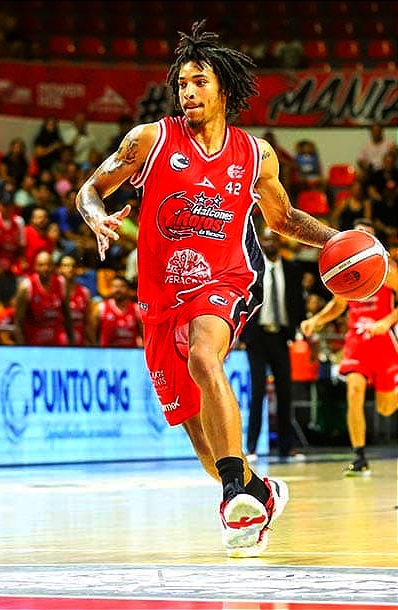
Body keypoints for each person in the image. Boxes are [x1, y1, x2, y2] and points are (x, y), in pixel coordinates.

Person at [76, 21, 344, 558]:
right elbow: (90, 189)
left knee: (205, 353)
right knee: (199, 434)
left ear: (223, 87)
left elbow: (283, 218)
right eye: (182, 85)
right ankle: (255, 489)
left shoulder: (255, 155)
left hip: (227, 277)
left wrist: (339, 239)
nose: (189, 93)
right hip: (159, 297)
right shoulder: (150, 140)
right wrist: (96, 217)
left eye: (199, 82)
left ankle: (230, 496)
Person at [300, 219, 398, 477]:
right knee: (353, 391)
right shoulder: (345, 268)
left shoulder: (386, 269)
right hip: (356, 338)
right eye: (358, 233)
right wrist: (315, 320)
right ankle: (359, 456)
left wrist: (387, 321)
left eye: (367, 234)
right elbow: (338, 305)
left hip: (384, 338)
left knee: (385, 407)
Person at [239, 229, 305, 462]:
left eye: (272, 239)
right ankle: (251, 447)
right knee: (257, 392)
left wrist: (297, 329)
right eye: (265, 239)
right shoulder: (252, 268)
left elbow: (297, 302)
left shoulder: (292, 269)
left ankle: (287, 447)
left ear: (279, 242)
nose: (269, 243)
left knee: (285, 391)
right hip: (257, 337)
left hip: (281, 336)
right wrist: (241, 334)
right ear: (260, 243)